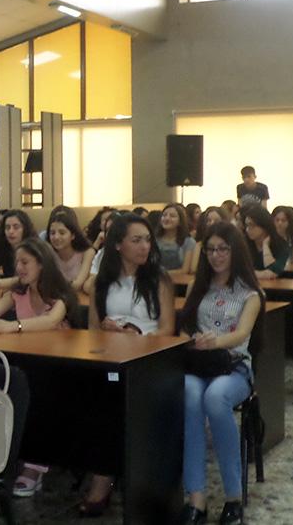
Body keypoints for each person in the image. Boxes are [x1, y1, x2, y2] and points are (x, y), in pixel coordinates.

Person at [86, 213, 175, 516]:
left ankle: (116, 477)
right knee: (96, 401)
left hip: (150, 361)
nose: (144, 246)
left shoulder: (159, 278)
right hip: (112, 358)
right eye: (136, 240)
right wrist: (108, 331)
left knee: (122, 404)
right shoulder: (102, 282)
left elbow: (167, 329)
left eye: (147, 240)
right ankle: (104, 473)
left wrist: (138, 336)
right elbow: (92, 330)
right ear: (118, 245)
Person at [0, 237, 78, 496]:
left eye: (25, 262)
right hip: (30, 364)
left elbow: (50, 320)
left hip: (58, 367)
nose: (19, 268)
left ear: (42, 264)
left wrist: (13, 326)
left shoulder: (59, 294)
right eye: (17, 262)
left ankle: (35, 467)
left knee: (42, 399)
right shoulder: (18, 293)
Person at [178, 222, 264, 525]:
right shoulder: (197, 285)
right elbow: (184, 325)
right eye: (211, 249)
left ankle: (233, 497)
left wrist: (214, 341)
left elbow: (242, 334)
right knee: (189, 395)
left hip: (233, 366)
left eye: (223, 249)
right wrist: (193, 340)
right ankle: (196, 498)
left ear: (235, 251)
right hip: (198, 364)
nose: (216, 255)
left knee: (215, 398)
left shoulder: (250, 294)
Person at [45, 211, 94, 292]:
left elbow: (77, 285)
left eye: (62, 233)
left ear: (73, 235)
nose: (56, 237)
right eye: (52, 233)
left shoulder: (87, 252)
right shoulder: (48, 252)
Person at [0, 209, 36, 279]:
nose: (11, 231)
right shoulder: (2, 247)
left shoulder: (34, 249)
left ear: (25, 229)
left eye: (16, 227)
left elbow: (27, 279)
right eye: (7, 227)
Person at [243, 205, 289, 280]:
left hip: (275, 286)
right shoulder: (243, 243)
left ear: (264, 225)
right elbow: (239, 272)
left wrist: (265, 246)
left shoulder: (281, 245)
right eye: (246, 225)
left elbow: (273, 273)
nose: (247, 229)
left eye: (252, 225)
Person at [82, 210, 121, 295]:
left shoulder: (131, 255)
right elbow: (88, 286)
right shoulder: (102, 253)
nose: (110, 234)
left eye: (114, 229)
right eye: (107, 230)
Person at [156, 204, 196, 274]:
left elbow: (185, 270)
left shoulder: (188, 242)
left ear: (180, 221)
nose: (167, 218)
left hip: (179, 280)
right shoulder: (154, 240)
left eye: (172, 216)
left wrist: (161, 274)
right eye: (164, 215)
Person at [188, 207, 228, 274]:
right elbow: (193, 269)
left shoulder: (231, 243)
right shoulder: (200, 245)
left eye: (216, 220)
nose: (212, 223)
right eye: (209, 220)